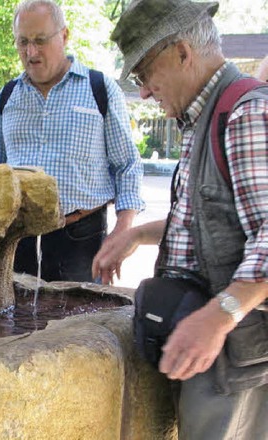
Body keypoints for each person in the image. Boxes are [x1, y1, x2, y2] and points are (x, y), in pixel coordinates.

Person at [94, 0, 268, 438]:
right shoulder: (201, 116)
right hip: (212, 351)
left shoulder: (244, 114)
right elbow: (211, 219)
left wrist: (218, 315)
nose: (146, 91)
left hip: (235, 360)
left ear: (182, 53)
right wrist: (139, 234)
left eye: (144, 74)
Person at [0, 0, 144, 283]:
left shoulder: (100, 89)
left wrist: (124, 228)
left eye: (40, 40)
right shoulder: (8, 95)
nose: (30, 52)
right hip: (17, 239)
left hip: (81, 241)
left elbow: (127, 165)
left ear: (64, 36)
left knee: (79, 324)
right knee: (15, 324)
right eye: (22, 42)